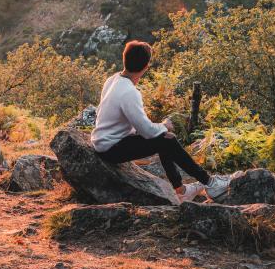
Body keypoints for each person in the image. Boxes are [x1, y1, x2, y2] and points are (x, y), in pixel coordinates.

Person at [91, 40, 230, 202]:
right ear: (146, 67)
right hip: (111, 148)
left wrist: (161, 130)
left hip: (105, 141)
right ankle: (210, 183)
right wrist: (164, 125)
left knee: (164, 138)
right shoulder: (129, 92)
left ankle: (181, 189)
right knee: (166, 140)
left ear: (124, 59)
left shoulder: (113, 80)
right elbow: (147, 131)